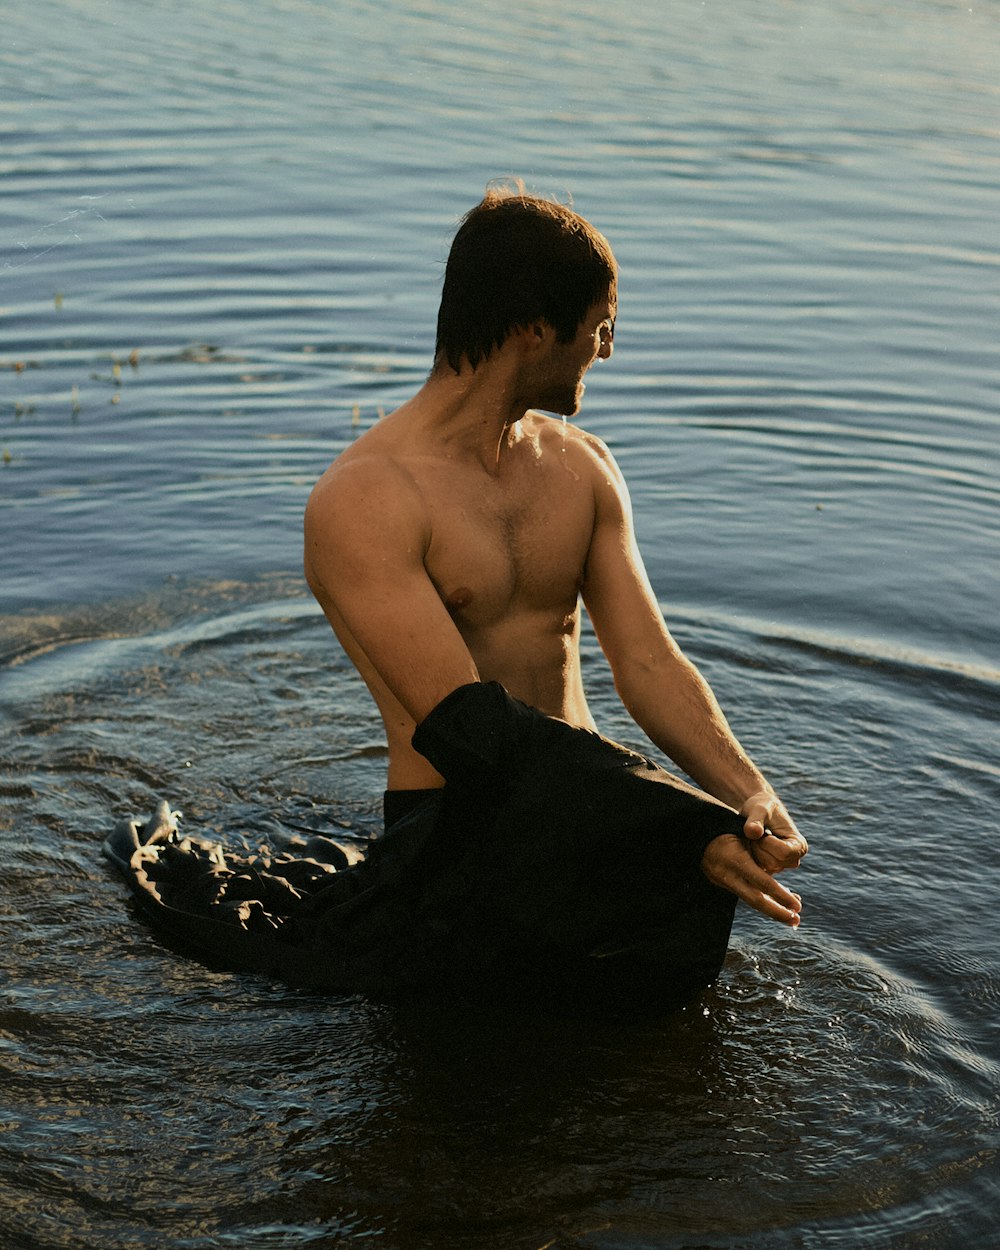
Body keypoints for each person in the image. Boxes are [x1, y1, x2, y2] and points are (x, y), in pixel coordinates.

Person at [303, 183, 808, 945]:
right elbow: (470, 731)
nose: (608, 349)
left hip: (595, 799)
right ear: (537, 330)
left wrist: (744, 794)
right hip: (457, 828)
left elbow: (648, 662)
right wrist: (679, 820)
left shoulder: (583, 469)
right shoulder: (366, 500)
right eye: (602, 327)